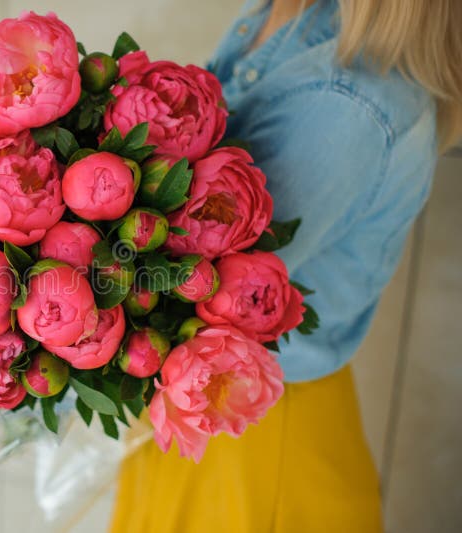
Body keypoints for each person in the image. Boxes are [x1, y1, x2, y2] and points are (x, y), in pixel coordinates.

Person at [109, 0, 462, 531]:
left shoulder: (349, 103)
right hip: (211, 412)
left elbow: (182, 287)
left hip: (252, 446)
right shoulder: (288, 14)